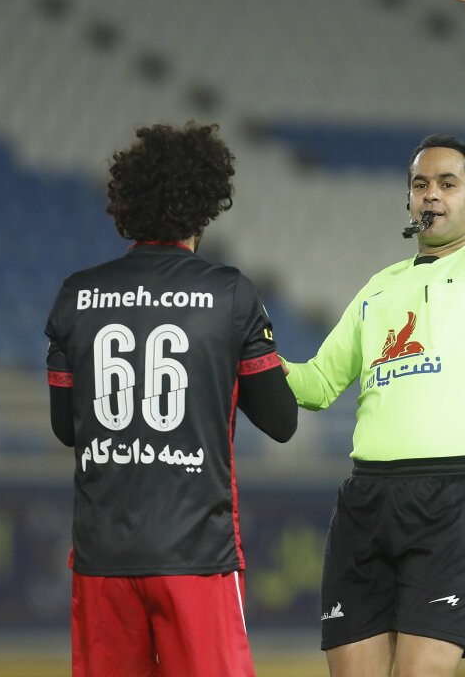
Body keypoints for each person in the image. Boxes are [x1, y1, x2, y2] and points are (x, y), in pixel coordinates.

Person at [282, 0, 465, 676]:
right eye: (421, 184)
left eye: (448, 183)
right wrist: (242, 348)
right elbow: (314, 386)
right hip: (366, 501)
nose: (432, 194)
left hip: (452, 499)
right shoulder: (379, 289)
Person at [44, 122, 299, 677]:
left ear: (128, 203)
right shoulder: (230, 293)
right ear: (205, 206)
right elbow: (281, 421)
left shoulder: (75, 295)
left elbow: (67, 427)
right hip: (197, 554)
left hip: (102, 557)